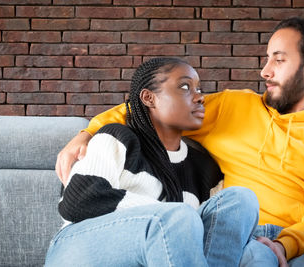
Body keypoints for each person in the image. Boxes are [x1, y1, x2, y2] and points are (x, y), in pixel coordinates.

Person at [56, 17, 304, 266]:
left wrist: (284, 245)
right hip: (228, 231)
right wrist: (88, 132)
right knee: (241, 202)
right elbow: (155, 107)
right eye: (266, 59)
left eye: (279, 59)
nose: (265, 70)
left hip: (291, 241)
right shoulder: (234, 106)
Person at [46, 57, 264, 266]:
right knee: (178, 217)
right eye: (185, 87)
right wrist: (173, 216)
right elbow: (77, 201)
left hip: (159, 256)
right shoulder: (118, 137)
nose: (199, 97)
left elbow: (218, 234)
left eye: (199, 89)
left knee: (241, 199)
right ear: (149, 98)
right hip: (78, 248)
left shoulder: (203, 167)